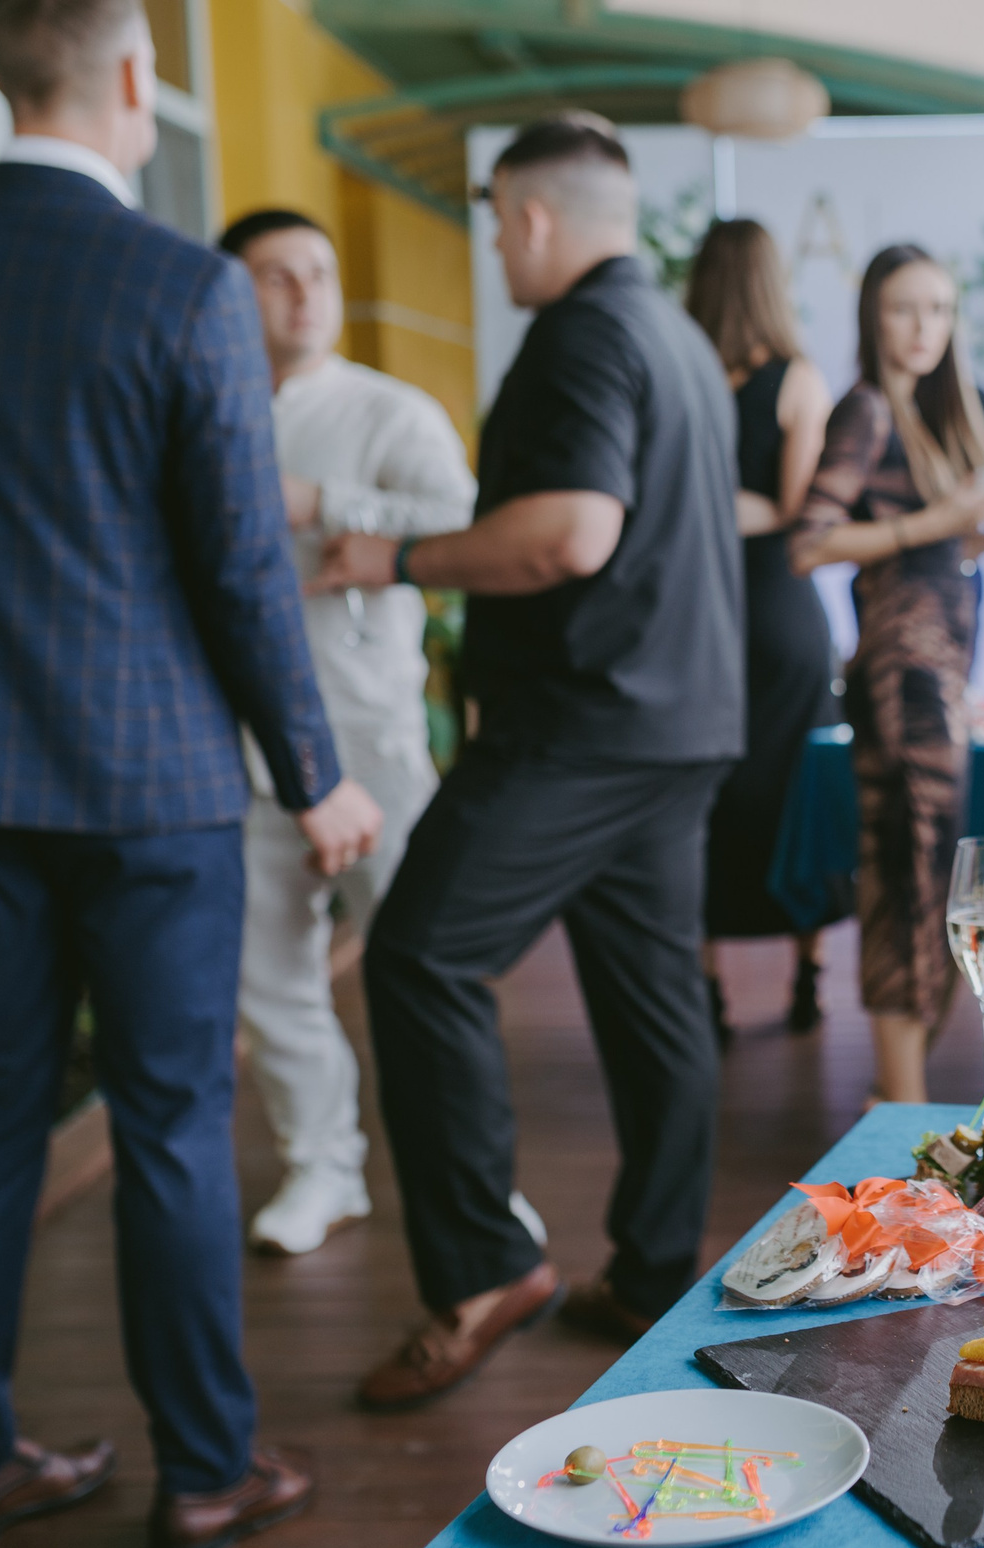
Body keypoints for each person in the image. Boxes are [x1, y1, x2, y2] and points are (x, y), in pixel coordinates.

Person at [0, 0, 380, 1548]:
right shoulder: (182, 287)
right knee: (173, 1118)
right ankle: (204, 1468)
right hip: (152, 772)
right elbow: (248, 571)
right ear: (130, 77)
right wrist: (315, 774)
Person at [315, 116, 743, 1402]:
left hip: (583, 723)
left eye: (496, 219)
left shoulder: (582, 332)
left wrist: (394, 559)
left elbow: (569, 533)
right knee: (654, 999)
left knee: (417, 951)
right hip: (678, 724)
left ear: (537, 215)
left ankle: (481, 1267)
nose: (495, 244)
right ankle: (655, 1263)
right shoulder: (674, 334)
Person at [216, 208, 478, 1256]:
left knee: (424, 963)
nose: (303, 292)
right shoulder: (207, 406)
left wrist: (324, 501)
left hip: (371, 736)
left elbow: (463, 520)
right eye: (275, 275)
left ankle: (472, 1183)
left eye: (317, 270)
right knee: (269, 972)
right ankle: (320, 1165)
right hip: (236, 742)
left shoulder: (390, 410)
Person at [790, 244, 984, 1104]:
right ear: (872, 317)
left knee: (934, 884)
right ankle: (902, 1112)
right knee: (906, 878)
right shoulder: (863, 408)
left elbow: (933, 548)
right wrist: (943, 518)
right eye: (904, 308)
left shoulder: (942, 412)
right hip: (902, 682)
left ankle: (903, 1099)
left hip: (940, 681)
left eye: (938, 308)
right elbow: (809, 541)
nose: (923, 326)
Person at [685, 219, 840, 1042]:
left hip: (699, 608)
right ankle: (807, 972)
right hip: (779, 608)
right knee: (797, 790)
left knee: (704, 789)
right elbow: (793, 507)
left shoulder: (680, 369)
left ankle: (706, 983)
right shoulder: (799, 379)